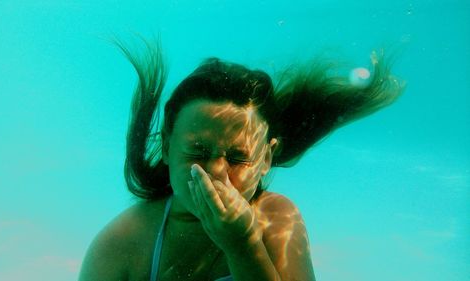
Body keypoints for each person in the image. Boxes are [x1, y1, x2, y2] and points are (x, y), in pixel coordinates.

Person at [78, 39, 404, 281]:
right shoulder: (125, 241)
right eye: (197, 152)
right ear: (166, 147)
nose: (217, 171)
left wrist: (243, 245)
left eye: (237, 157)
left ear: (265, 159)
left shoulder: (275, 219)